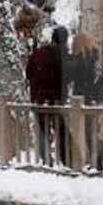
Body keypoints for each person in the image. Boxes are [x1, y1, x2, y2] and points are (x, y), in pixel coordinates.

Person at [67, 31, 103, 170]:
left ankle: (94, 159)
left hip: (83, 98)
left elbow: (69, 75)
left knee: (86, 131)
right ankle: (98, 156)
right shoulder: (94, 59)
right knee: (92, 130)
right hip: (94, 98)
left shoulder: (80, 62)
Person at [25, 28, 65, 165]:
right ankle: (64, 157)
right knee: (60, 128)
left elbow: (28, 73)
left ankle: (45, 157)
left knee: (42, 129)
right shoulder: (61, 55)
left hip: (38, 98)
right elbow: (64, 76)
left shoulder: (37, 54)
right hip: (56, 99)